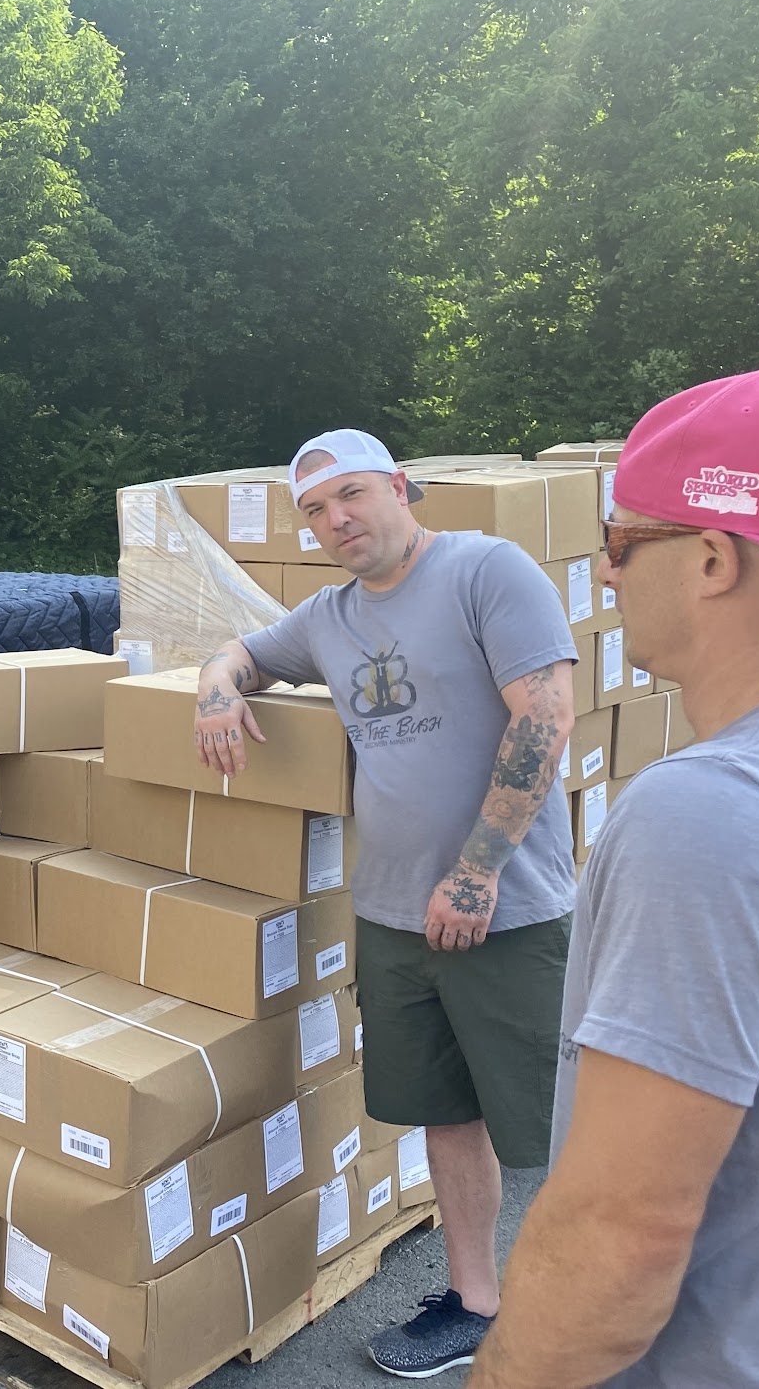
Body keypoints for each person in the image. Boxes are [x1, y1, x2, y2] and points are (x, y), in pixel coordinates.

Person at [468, 364, 759, 1389]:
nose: (606, 575)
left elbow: (621, 1237)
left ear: (711, 558)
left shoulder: (713, 816)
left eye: (620, 543)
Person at [193, 430, 576, 1379]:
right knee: (449, 1115)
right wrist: (215, 693)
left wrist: (478, 870)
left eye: (352, 495)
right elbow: (240, 651)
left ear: (401, 488)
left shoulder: (487, 571)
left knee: (561, 1125)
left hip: (506, 910)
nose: (336, 521)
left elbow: (544, 716)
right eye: (315, 511)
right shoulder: (328, 617)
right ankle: (476, 1304)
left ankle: (596, 1318)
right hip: (395, 916)